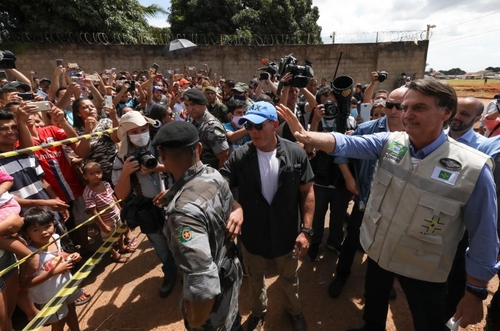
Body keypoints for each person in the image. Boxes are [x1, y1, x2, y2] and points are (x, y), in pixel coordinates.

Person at [277, 79, 499, 331]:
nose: (407, 115)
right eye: (405, 107)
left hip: (424, 269)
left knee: (428, 322)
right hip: (380, 252)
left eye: (419, 108)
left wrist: (475, 292)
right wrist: (307, 136)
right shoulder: (391, 142)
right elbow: (346, 143)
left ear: (445, 112)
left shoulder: (473, 168)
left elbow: (484, 235)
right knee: (374, 307)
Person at [220, 101, 315, 331]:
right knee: (255, 280)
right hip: (253, 237)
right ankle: (258, 312)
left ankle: (294, 311)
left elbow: (307, 191)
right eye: (248, 125)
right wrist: (236, 205)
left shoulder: (296, 153)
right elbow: (221, 185)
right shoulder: (240, 156)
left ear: (274, 124)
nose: (252, 131)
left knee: (289, 279)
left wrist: (306, 230)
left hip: (287, 235)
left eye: (258, 125)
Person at [152, 121, 243, 331]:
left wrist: (195, 321)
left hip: (214, 304)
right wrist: (175, 193)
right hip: (230, 273)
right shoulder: (213, 174)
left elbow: (203, 286)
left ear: (162, 155)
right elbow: (230, 204)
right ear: (199, 149)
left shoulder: (183, 213)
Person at [327, 87, 407, 299]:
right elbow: (341, 151)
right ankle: (341, 275)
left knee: (388, 242)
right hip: (367, 199)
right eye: (389, 105)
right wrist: (348, 177)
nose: (393, 111)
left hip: (397, 203)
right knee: (353, 237)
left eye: (399, 106)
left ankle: (385, 281)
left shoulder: (416, 133)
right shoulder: (369, 129)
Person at [112, 111, 177, 298]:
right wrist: (125, 173)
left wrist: (158, 167)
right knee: (161, 246)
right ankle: (170, 274)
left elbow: (185, 168)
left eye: (144, 129)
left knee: (182, 241)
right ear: (126, 135)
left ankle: (189, 274)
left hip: (174, 202)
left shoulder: (161, 146)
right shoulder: (121, 158)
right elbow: (120, 194)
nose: (141, 133)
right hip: (148, 209)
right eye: (134, 131)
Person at [22, 207, 82, 331]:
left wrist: (71, 256)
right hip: (49, 296)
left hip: (65, 285)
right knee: (59, 322)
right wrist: (53, 272)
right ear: (27, 233)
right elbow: (25, 284)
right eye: (36, 230)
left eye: (47, 226)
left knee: (71, 311)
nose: (44, 232)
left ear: (54, 224)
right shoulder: (29, 254)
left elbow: (59, 254)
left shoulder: (55, 238)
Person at [82, 162, 127, 263]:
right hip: (106, 220)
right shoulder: (88, 192)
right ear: (85, 176)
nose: (96, 175)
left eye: (98, 172)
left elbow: (114, 197)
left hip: (116, 213)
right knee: (108, 239)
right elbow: (93, 212)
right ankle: (115, 254)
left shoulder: (106, 184)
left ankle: (122, 246)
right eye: (92, 173)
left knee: (120, 231)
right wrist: (102, 226)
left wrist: (120, 209)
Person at [183, 89, 229, 169]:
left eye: (193, 104)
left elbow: (223, 156)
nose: (190, 109)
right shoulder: (192, 119)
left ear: (203, 104)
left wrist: (220, 179)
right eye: (187, 105)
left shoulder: (211, 126)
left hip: (210, 174)